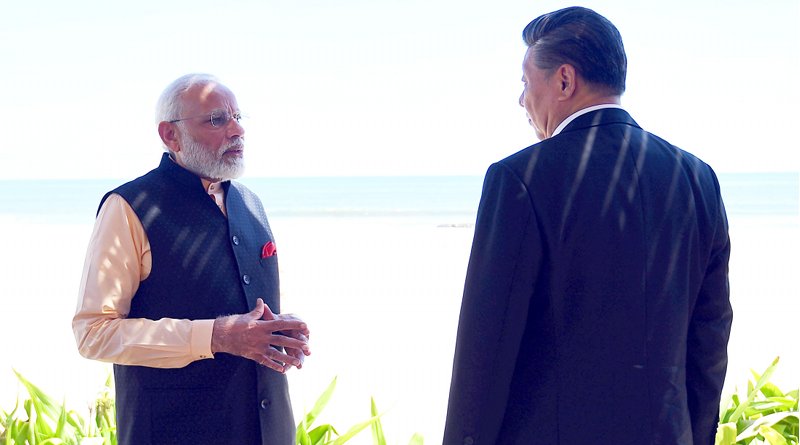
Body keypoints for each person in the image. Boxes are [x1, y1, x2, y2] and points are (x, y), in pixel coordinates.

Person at [443, 7, 732, 445]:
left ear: (563, 79)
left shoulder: (520, 179)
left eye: (525, 82)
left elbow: (486, 353)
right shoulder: (697, 178)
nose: (522, 100)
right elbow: (709, 340)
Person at [73, 73, 310, 445]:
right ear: (170, 135)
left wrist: (276, 328)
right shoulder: (129, 208)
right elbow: (93, 334)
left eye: (237, 117)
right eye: (217, 119)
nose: (237, 130)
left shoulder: (250, 204)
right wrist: (215, 337)